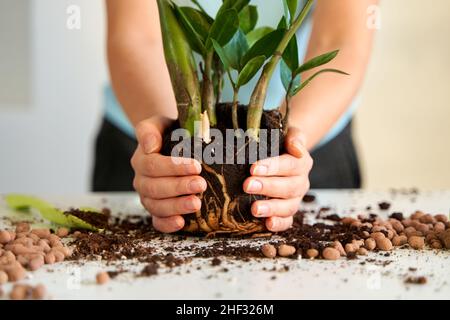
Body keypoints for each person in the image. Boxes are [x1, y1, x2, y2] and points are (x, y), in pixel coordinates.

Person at [95, 0, 377, 233]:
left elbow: (341, 38)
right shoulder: (161, 144)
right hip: (145, 140)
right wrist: (169, 141)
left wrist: (288, 147)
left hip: (311, 136)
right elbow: (137, 35)